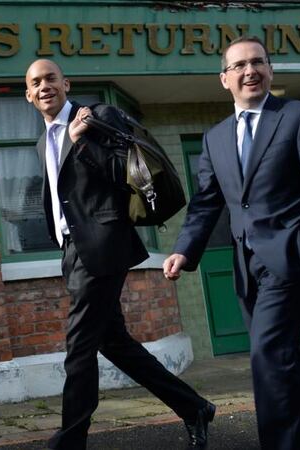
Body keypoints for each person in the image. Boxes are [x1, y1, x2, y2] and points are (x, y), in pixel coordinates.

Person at [162, 36, 300, 450]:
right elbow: (207, 202)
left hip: (293, 256)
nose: (249, 71)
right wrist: (184, 248)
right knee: (281, 357)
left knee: (268, 355)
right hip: (246, 266)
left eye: (258, 62)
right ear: (224, 79)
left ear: (270, 70)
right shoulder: (214, 139)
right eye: (239, 66)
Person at [24, 58, 215, 450]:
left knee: (79, 346)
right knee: (114, 343)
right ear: (29, 95)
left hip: (103, 244)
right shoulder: (43, 140)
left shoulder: (96, 116)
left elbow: (131, 171)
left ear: (66, 83)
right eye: (36, 83)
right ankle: (194, 407)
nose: (45, 86)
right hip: (72, 250)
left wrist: (83, 143)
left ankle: (71, 438)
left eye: (51, 79)